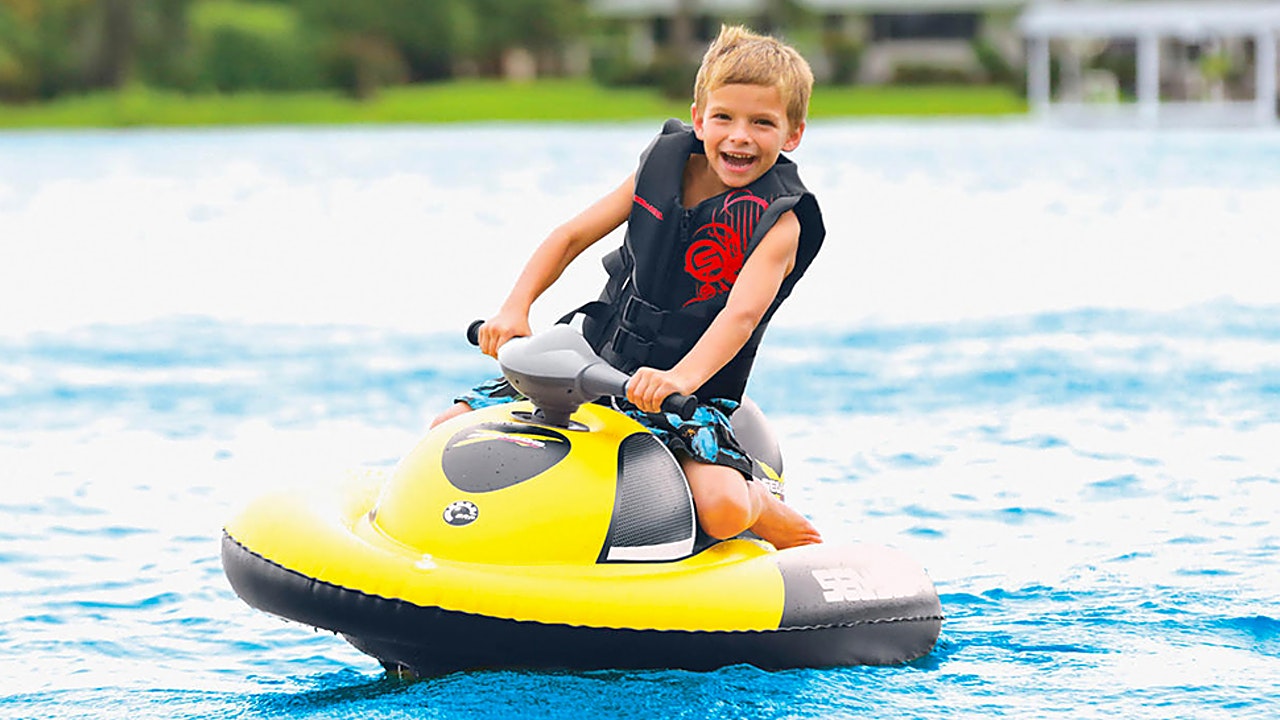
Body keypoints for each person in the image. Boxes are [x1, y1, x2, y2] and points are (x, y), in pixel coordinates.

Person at [433, 25, 825, 549]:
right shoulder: (661, 168)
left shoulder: (781, 222)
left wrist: (677, 379)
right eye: (724, 118)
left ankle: (761, 502)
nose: (739, 136)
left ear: (792, 134)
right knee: (447, 425)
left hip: (687, 394)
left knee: (723, 509)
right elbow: (570, 236)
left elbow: (740, 316)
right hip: (591, 359)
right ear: (698, 119)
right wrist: (515, 309)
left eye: (762, 123)